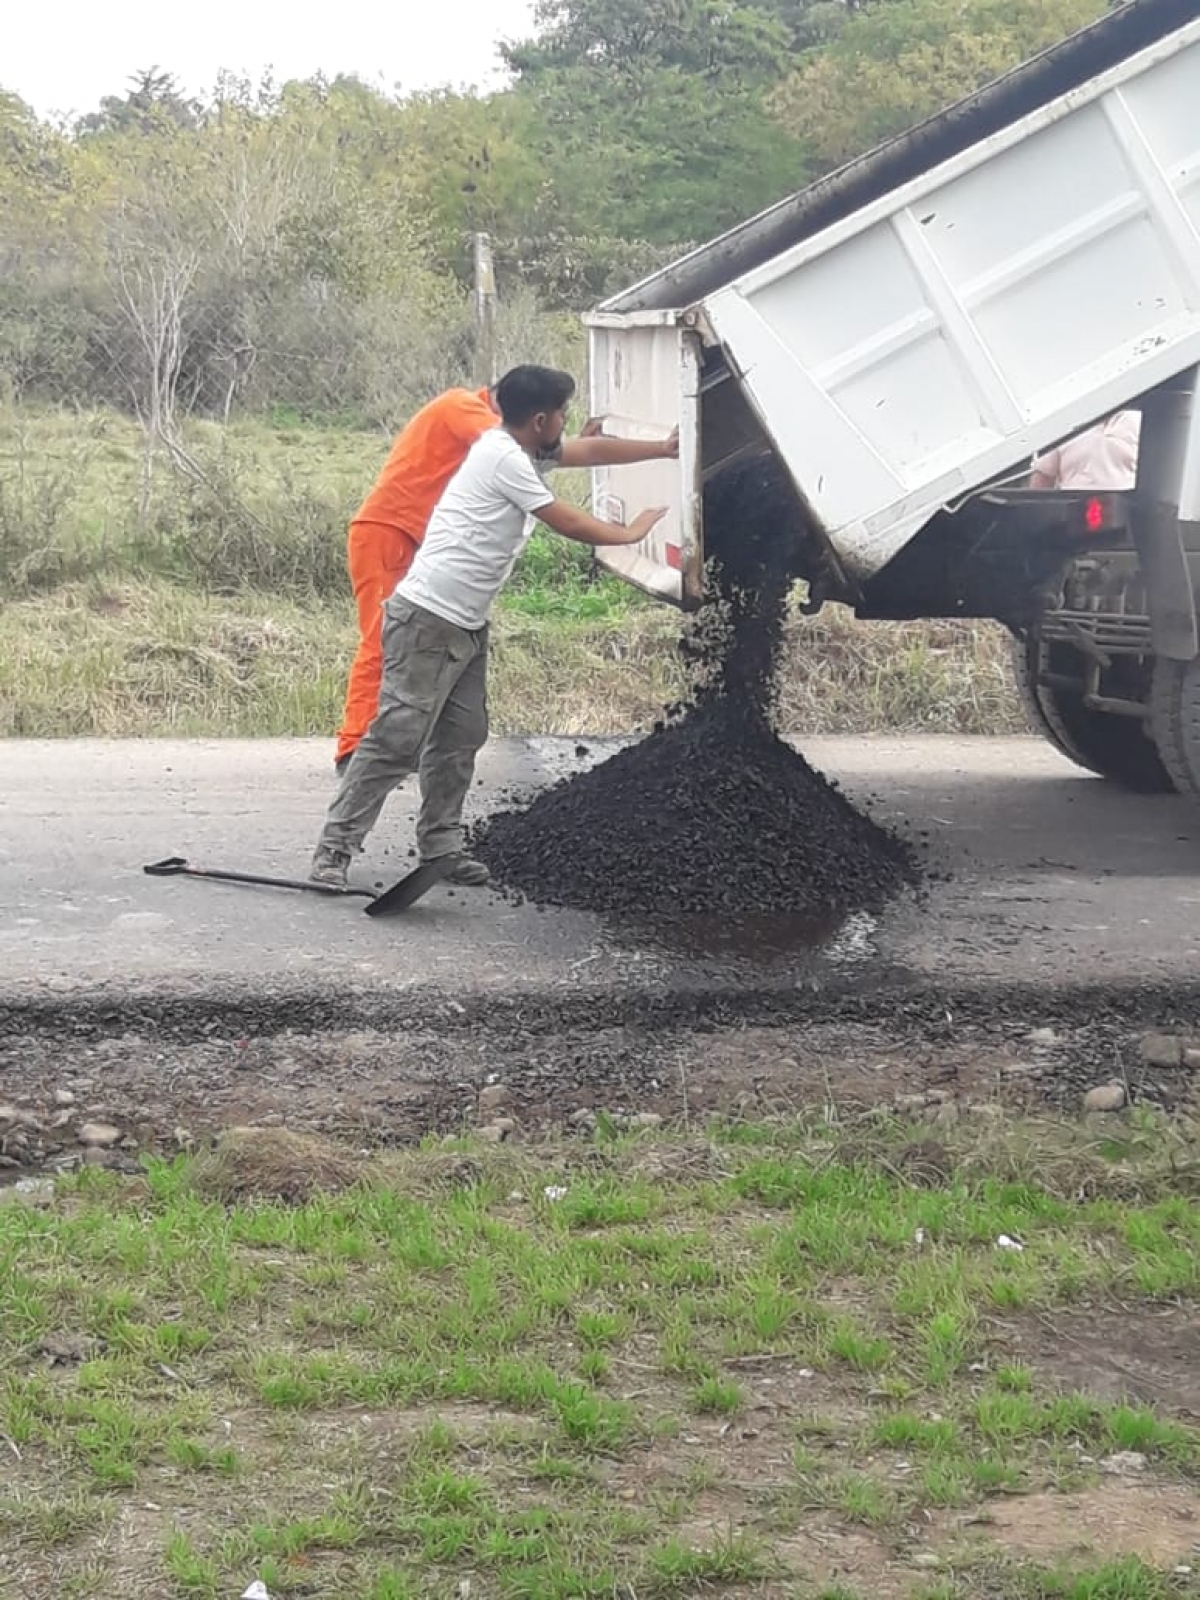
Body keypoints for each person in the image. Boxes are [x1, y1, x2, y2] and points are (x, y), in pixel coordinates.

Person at [310, 364, 674, 890]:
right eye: (563, 416)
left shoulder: (519, 447)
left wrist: (664, 447)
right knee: (397, 738)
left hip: (466, 623)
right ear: (542, 419)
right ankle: (333, 852)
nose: (567, 426)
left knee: (460, 738)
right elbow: (565, 520)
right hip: (427, 618)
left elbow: (587, 452)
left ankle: (441, 848)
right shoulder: (501, 455)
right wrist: (628, 531)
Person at [334, 388, 613, 773]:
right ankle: (354, 750)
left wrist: (574, 445)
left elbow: (530, 459)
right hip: (390, 533)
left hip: (418, 541)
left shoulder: (481, 428)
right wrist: (570, 447)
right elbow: (526, 453)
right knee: (383, 640)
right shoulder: (462, 408)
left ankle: (394, 747)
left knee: (410, 646)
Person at [1030, 411, 1140, 490]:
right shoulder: (1062, 422)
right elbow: (1042, 479)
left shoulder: (1140, 420)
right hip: (1072, 513)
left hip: (1129, 513)